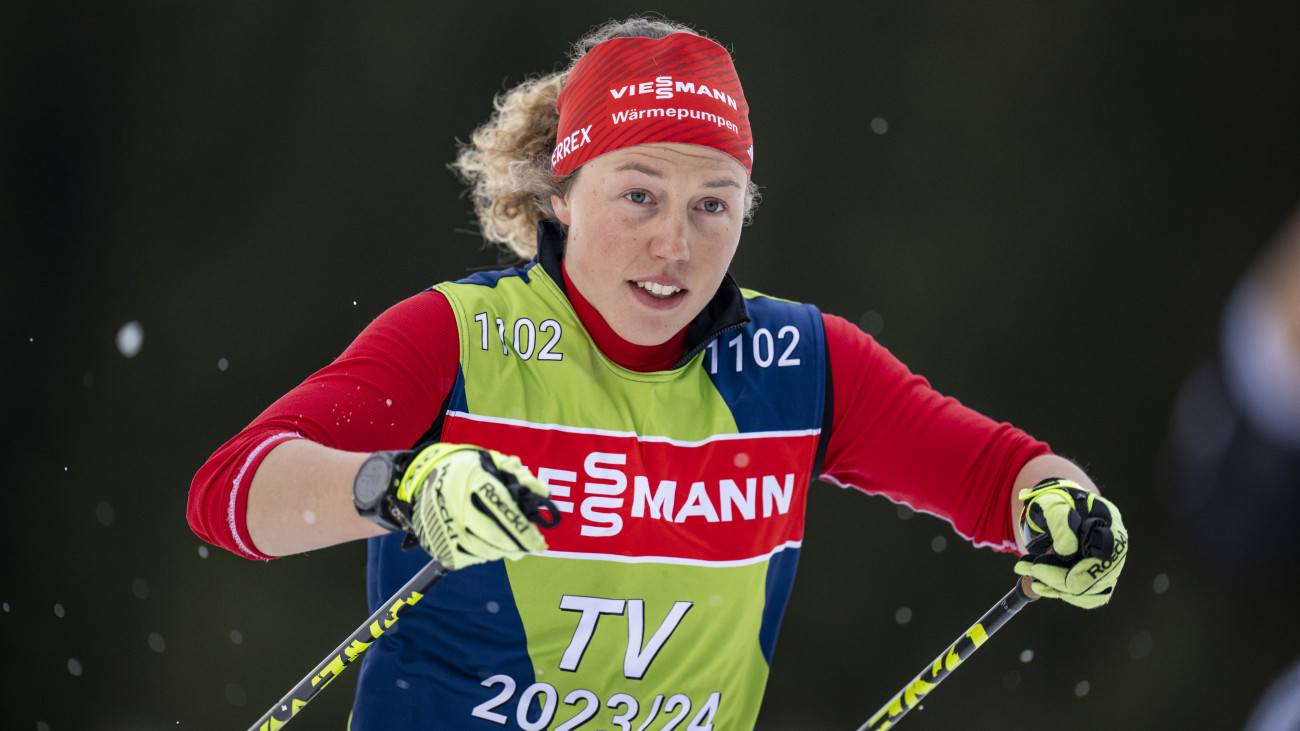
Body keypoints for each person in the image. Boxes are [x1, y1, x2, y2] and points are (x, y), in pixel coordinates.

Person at [188, 16, 1128, 729]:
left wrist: (1066, 515)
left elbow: (1001, 477)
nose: (673, 244)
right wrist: (399, 487)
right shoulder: (459, 334)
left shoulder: (802, 365)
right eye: (638, 194)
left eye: (712, 205)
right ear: (560, 193)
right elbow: (231, 493)